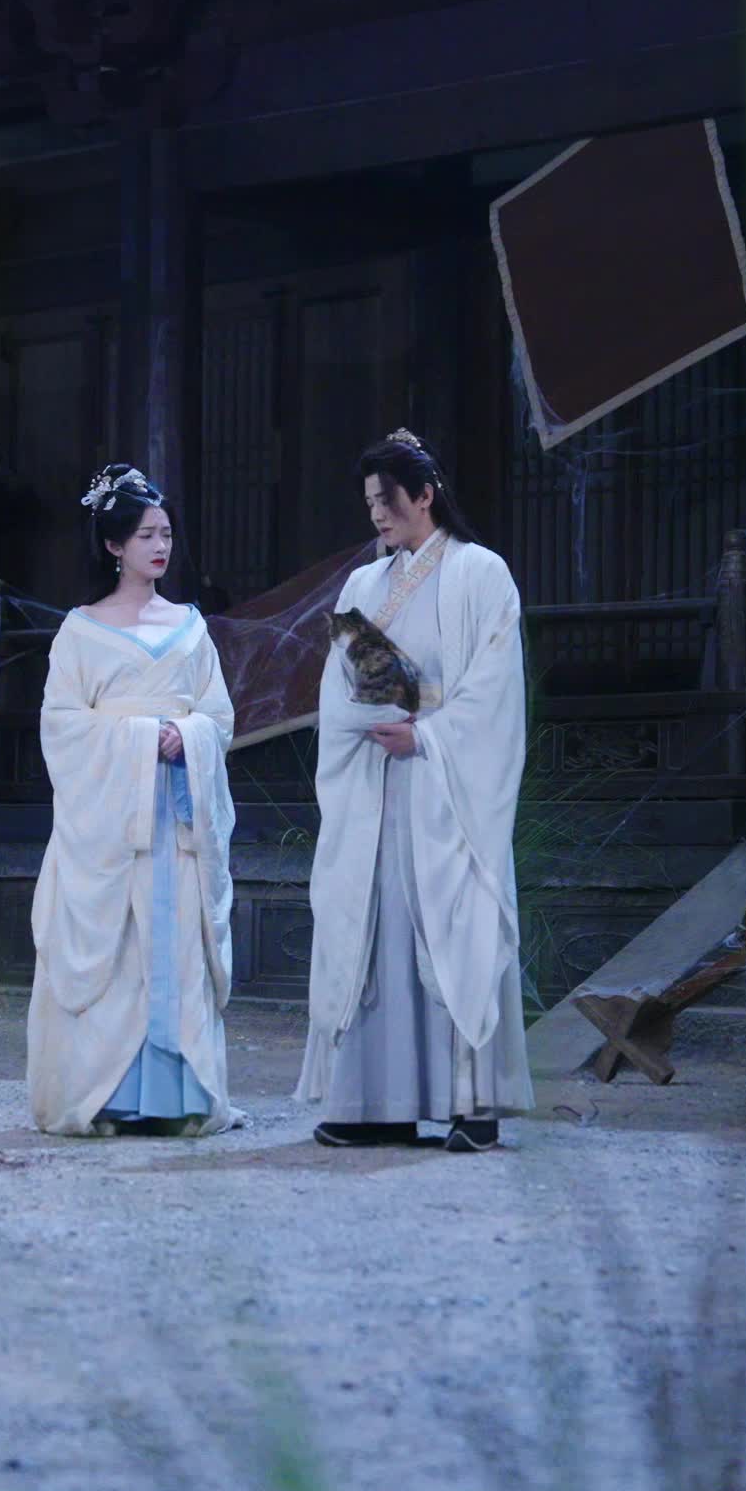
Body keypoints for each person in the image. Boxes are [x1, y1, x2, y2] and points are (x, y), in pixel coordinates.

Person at [297, 428, 534, 1151]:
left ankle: (472, 1107)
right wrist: (374, 721)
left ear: (425, 495)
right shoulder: (364, 586)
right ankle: (380, 1104)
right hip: (377, 786)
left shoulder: (480, 574)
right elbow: (341, 683)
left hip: (446, 785)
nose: (376, 514)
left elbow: (494, 689)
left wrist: (427, 736)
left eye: (387, 500)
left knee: (451, 929)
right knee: (377, 935)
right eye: (369, 502)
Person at [26, 464, 237, 1137]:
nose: (160, 546)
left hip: (176, 818)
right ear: (114, 545)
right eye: (146, 535)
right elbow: (61, 724)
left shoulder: (190, 627)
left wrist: (189, 735)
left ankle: (179, 1098)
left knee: (175, 947)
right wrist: (145, 737)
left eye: (166, 534)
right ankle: (108, 1097)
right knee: (117, 952)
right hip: (111, 825)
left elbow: (219, 717)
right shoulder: (81, 630)